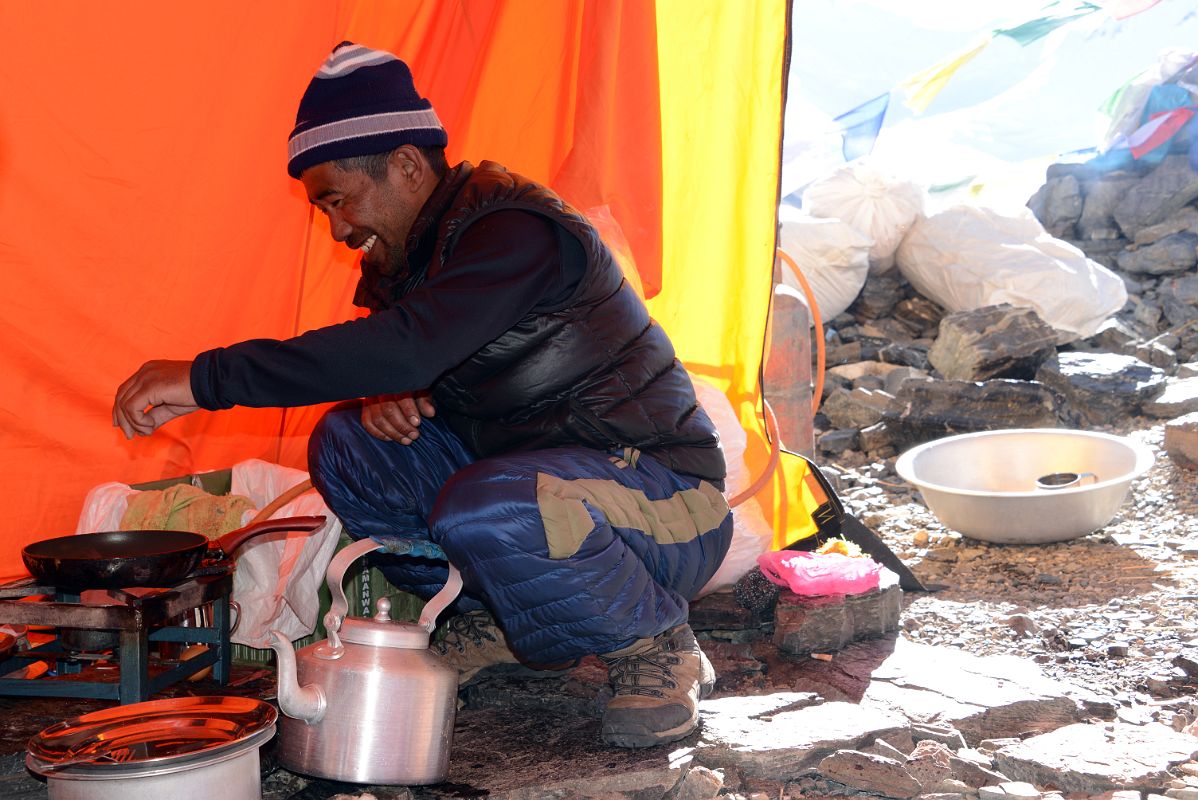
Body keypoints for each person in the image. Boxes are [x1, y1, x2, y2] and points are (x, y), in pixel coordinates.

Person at [112, 41, 733, 749]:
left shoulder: (515, 232)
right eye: (324, 211)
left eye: (339, 201)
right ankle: (489, 616)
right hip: (545, 493)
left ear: (407, 165)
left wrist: (205, 378)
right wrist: (387, 395)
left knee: (495, 502)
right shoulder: (410, 260)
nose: (340, 230)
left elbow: (410, 344)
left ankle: (655, 645)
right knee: (349, 442)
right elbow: (403, 355)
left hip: (665, 504)